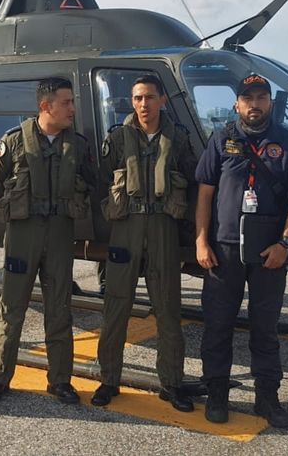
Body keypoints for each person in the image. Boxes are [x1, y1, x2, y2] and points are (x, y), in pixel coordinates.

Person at [194, 74, 288, 428]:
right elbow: (205, 194)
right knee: (218, 326)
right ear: (237, 104)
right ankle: (217, 393)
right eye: (248, 98)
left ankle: (267, 398)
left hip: (268, 252)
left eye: (261, 98)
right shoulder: (221, 140)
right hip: (224, 250)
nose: (254, 104)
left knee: (265, 328)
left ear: (270, 103)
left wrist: (285, 243)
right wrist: (201, 240)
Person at [0, 78, 96, 405]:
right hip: (23, 234)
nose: (72, 109)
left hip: (60, 233)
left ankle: (60, 380)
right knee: (11, 307)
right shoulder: (14, 141)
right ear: (46, 106)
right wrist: (21, 209)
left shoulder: (78, 145)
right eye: (66, 103)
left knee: (59, 308)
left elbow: (91, 182)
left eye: (72, 102)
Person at [92, 75, 196, 412]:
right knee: (116, 307)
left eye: (149, 97)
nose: (143, 104)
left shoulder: (178, 138)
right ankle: (109, 380)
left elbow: (193, 181)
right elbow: (102, 180)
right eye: (137, 98)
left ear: (162, 100)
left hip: (164, 228)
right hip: (126, 228)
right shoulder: (118, 138)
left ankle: (172, 383)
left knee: (168, 309)